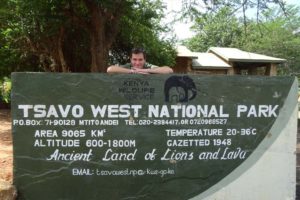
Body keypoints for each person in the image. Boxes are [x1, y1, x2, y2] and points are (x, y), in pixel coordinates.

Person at [107, 48, 173, 74]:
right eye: (134, 59)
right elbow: (110, 69)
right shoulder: (128, 66)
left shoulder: (148, 66)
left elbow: (169, 70)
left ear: (145, 60)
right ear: (131, 59)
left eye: (140, 59)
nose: (137, 63)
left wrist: (145, 70)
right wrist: (132, 71)